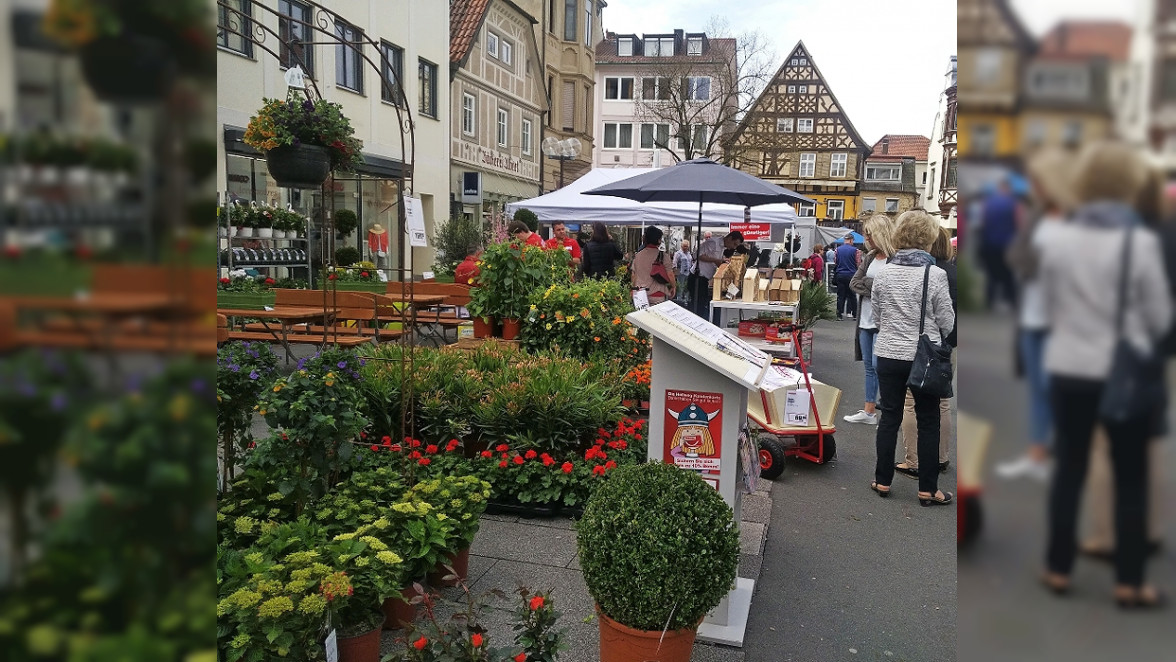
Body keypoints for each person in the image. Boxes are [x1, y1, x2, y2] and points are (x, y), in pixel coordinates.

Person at [1038, 140, 1170, 608]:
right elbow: (1158, 316)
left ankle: (1057, 567)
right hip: (1123, 370)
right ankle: (1129, 581)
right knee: (1130, 475)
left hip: (1069, 366)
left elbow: (1048, 306)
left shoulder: (1058, 238)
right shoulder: (1141, 240)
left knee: (1069, 469)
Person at [995, 149, 1074, 481]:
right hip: (1033, 316)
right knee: (1039, 390)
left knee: (1064, 390)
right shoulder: (1037, 216)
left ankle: (1069, 456)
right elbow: (1015, 256)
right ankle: (1038, 455)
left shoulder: (1080, 218)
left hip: (1067, 322)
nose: (1033, 186)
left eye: (1038, 180)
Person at [869, 210, 955, 506]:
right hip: (924, 357)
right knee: (928, 419)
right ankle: (928, 489)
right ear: (929, 237)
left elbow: (877, 315)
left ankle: (882, 480)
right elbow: (947, 320)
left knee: (889, 416)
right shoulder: (935, 274)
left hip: (889, 353)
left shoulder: (884, 272)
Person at [894, 226, 957, 478]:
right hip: (948, 343)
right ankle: (941, 457)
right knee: (942, 402)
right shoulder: (955, 273)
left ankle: (914, 460)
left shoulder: (927, 272)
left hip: (922, 344)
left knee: (911, 402)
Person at [844, 215, 896, 426]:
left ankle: (890, 411)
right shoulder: (870, 256)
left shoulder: (895, 258)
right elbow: (854, 282)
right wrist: (876, 285)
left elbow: (892, 288)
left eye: (869, 233)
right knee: (869, 366)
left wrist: (870, 285)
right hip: (865, 320)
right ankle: (869, 411)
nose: (866, 237)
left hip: (884, 322)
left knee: (879, 366)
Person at [980, 178, 1022, 311]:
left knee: (991, 275)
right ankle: (1011, 301)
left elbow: (983, 223)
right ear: (1008, 189)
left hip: (990, 244)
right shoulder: (1013, 203)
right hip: (1007, 244)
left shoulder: (989, 203)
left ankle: (989, 302)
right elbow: (1018, 224)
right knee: (1008, 274)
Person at [631, 226, 676, 305]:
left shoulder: (637, 255)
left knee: (641, 317)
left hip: (640, 294)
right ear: (658, 240)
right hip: (657, 294)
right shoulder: (663, 256)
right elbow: (670, 275)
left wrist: (633, 290)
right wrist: (673, 286)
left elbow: (634, 275)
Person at [691, 231, 725, 319]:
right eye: (735, 244)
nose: (734, 247)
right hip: (697, 277)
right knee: (698, 307)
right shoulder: (713, 242)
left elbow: (716, 263)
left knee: (701, 306)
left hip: (704, 279)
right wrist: (716, 260)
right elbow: (698, 255)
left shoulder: (721, 247)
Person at [834, 235, 861, 319]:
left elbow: (835, 261)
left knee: (840, 295)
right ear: (850, 240)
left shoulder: (837, 250)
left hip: (840, 274)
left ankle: (839, 314)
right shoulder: (856, 251)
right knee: (852, 295)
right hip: (851, 275)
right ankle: (854, 314)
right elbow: (858, 263)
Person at [672, 240, 694, 306]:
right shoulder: (678, 253)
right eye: (684, 246)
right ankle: (680, 301)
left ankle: (686, 301)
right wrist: (675, 272)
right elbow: (674, 263)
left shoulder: (689, 254)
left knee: (687, 288)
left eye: (687, 246)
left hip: (688, 273)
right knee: (680, 288)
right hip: (680, 273)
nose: (685, 248)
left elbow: (691, 262)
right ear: (681, 246)